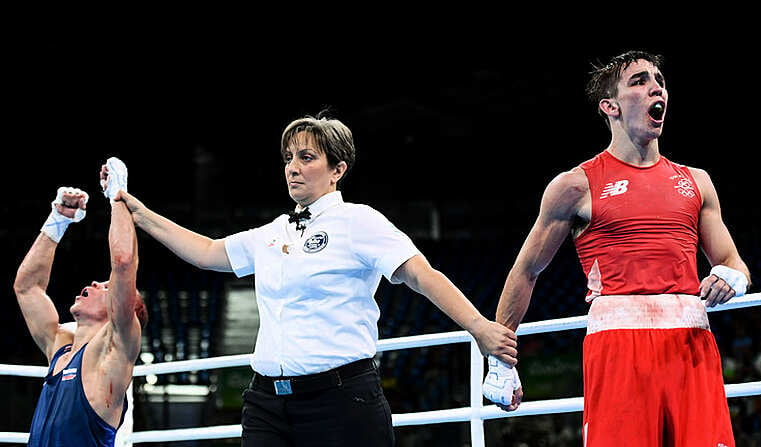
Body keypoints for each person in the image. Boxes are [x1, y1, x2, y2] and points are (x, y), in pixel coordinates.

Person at [116, 113, 518, 446]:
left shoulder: (359, 221)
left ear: (337, 169)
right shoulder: (274, 230)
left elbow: (420, 274)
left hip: (340, 402)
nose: (292, 167)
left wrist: (479, 327)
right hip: (266, 404)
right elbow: (206, 252)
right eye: (288, 158)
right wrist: (138, 211)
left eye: (307, 157)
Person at [482, 51, 750, 446]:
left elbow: (732, 262)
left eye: (659, 79)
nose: (656, 86)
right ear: (610, 106)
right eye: (640, 81)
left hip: (692, 342)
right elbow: (526, 271)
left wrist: (732, 278)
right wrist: (501, 359)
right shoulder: (576, 186)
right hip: (618, 344)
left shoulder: (697, 182)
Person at [13, 157, 148, 446]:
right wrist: (57, 222)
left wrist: (118, 197)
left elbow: (123, 263)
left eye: (107, 287)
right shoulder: (59, 346)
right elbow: (27, 288)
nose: (96, 283)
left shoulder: (113, 354)